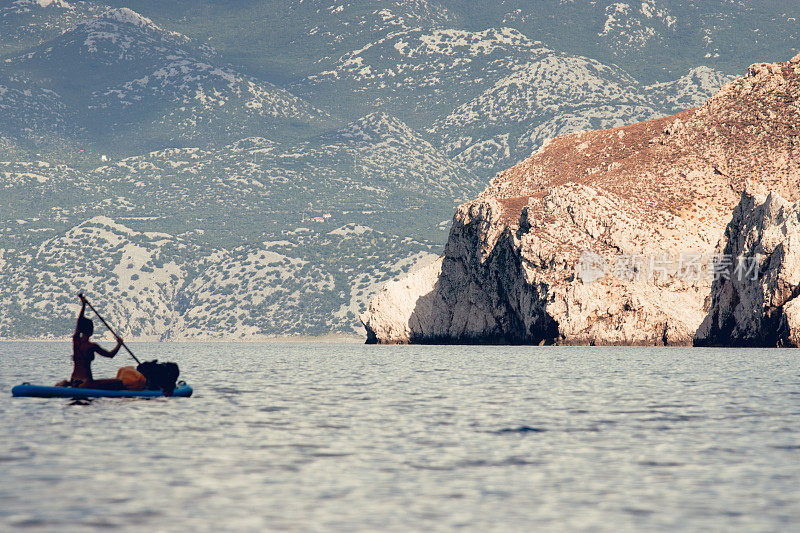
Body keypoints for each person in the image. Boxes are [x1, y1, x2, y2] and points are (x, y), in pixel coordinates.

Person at [57, 295, 125, 389]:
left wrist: (83, 305)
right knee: (118, 382)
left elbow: (79, 321)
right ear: (91, 331)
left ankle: (66, 384)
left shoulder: (76, 340)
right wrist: (119, 344)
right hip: (86, 383)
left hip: (73, 380)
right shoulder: (92, 346)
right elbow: (110, 355)